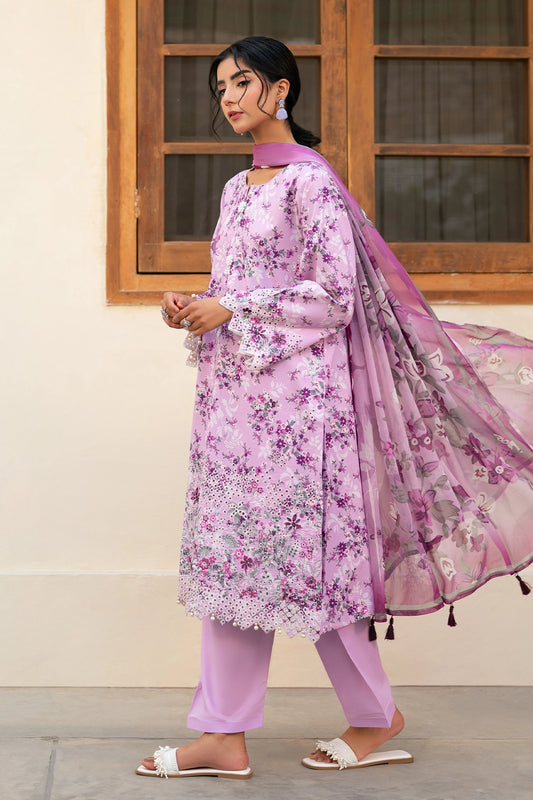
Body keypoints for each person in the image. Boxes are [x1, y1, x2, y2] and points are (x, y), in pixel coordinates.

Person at [136, 36, 533, 779]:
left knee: (319, 562)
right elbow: (238, 286)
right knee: (234, 556)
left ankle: (374, 717)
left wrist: (235, 309)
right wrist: (194, 305)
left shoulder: (310, 183)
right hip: (232, 402)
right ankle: (223, 733)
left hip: (299, 410)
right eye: (220, 87)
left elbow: (335, 295)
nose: (228, 98)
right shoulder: (237, 188)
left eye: (242, 82)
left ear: (281, 88)